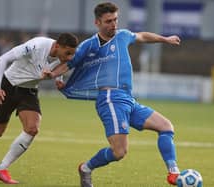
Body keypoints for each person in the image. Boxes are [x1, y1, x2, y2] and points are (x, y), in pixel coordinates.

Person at [49, 2, 181, 187]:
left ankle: (173, 173)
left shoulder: (123, 36)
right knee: (119, 152)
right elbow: (68, 63)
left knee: (166, 127)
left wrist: (165, 39)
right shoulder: (89, 45)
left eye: (115, 20)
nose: (114, 24)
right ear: (97, 23)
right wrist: (52, 74)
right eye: (108, 21)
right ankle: (86, 168)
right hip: (110, 99)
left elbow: (142, 35)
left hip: (128, 99)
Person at [0, 33, 78, 184]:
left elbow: (57, 67)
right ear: (57, 46)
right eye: (68, 53)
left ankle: (1, 169)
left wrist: (59, 79)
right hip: (8, 86)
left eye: (72, 53)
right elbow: (2, 59)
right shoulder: (36, 45)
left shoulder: (61, 56)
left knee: (32, 128)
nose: (70, 57)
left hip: (29, 91)